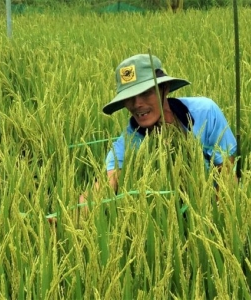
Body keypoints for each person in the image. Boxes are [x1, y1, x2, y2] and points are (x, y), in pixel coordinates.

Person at [82, 54, 237, 202]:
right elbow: (103, 187)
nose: (137, 104)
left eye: (145, 93)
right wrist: (67, 216)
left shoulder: (205, 113)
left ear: (165, 88)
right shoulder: (128, 143)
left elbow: (227, 174)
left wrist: (216, 220)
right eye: (129, 98)